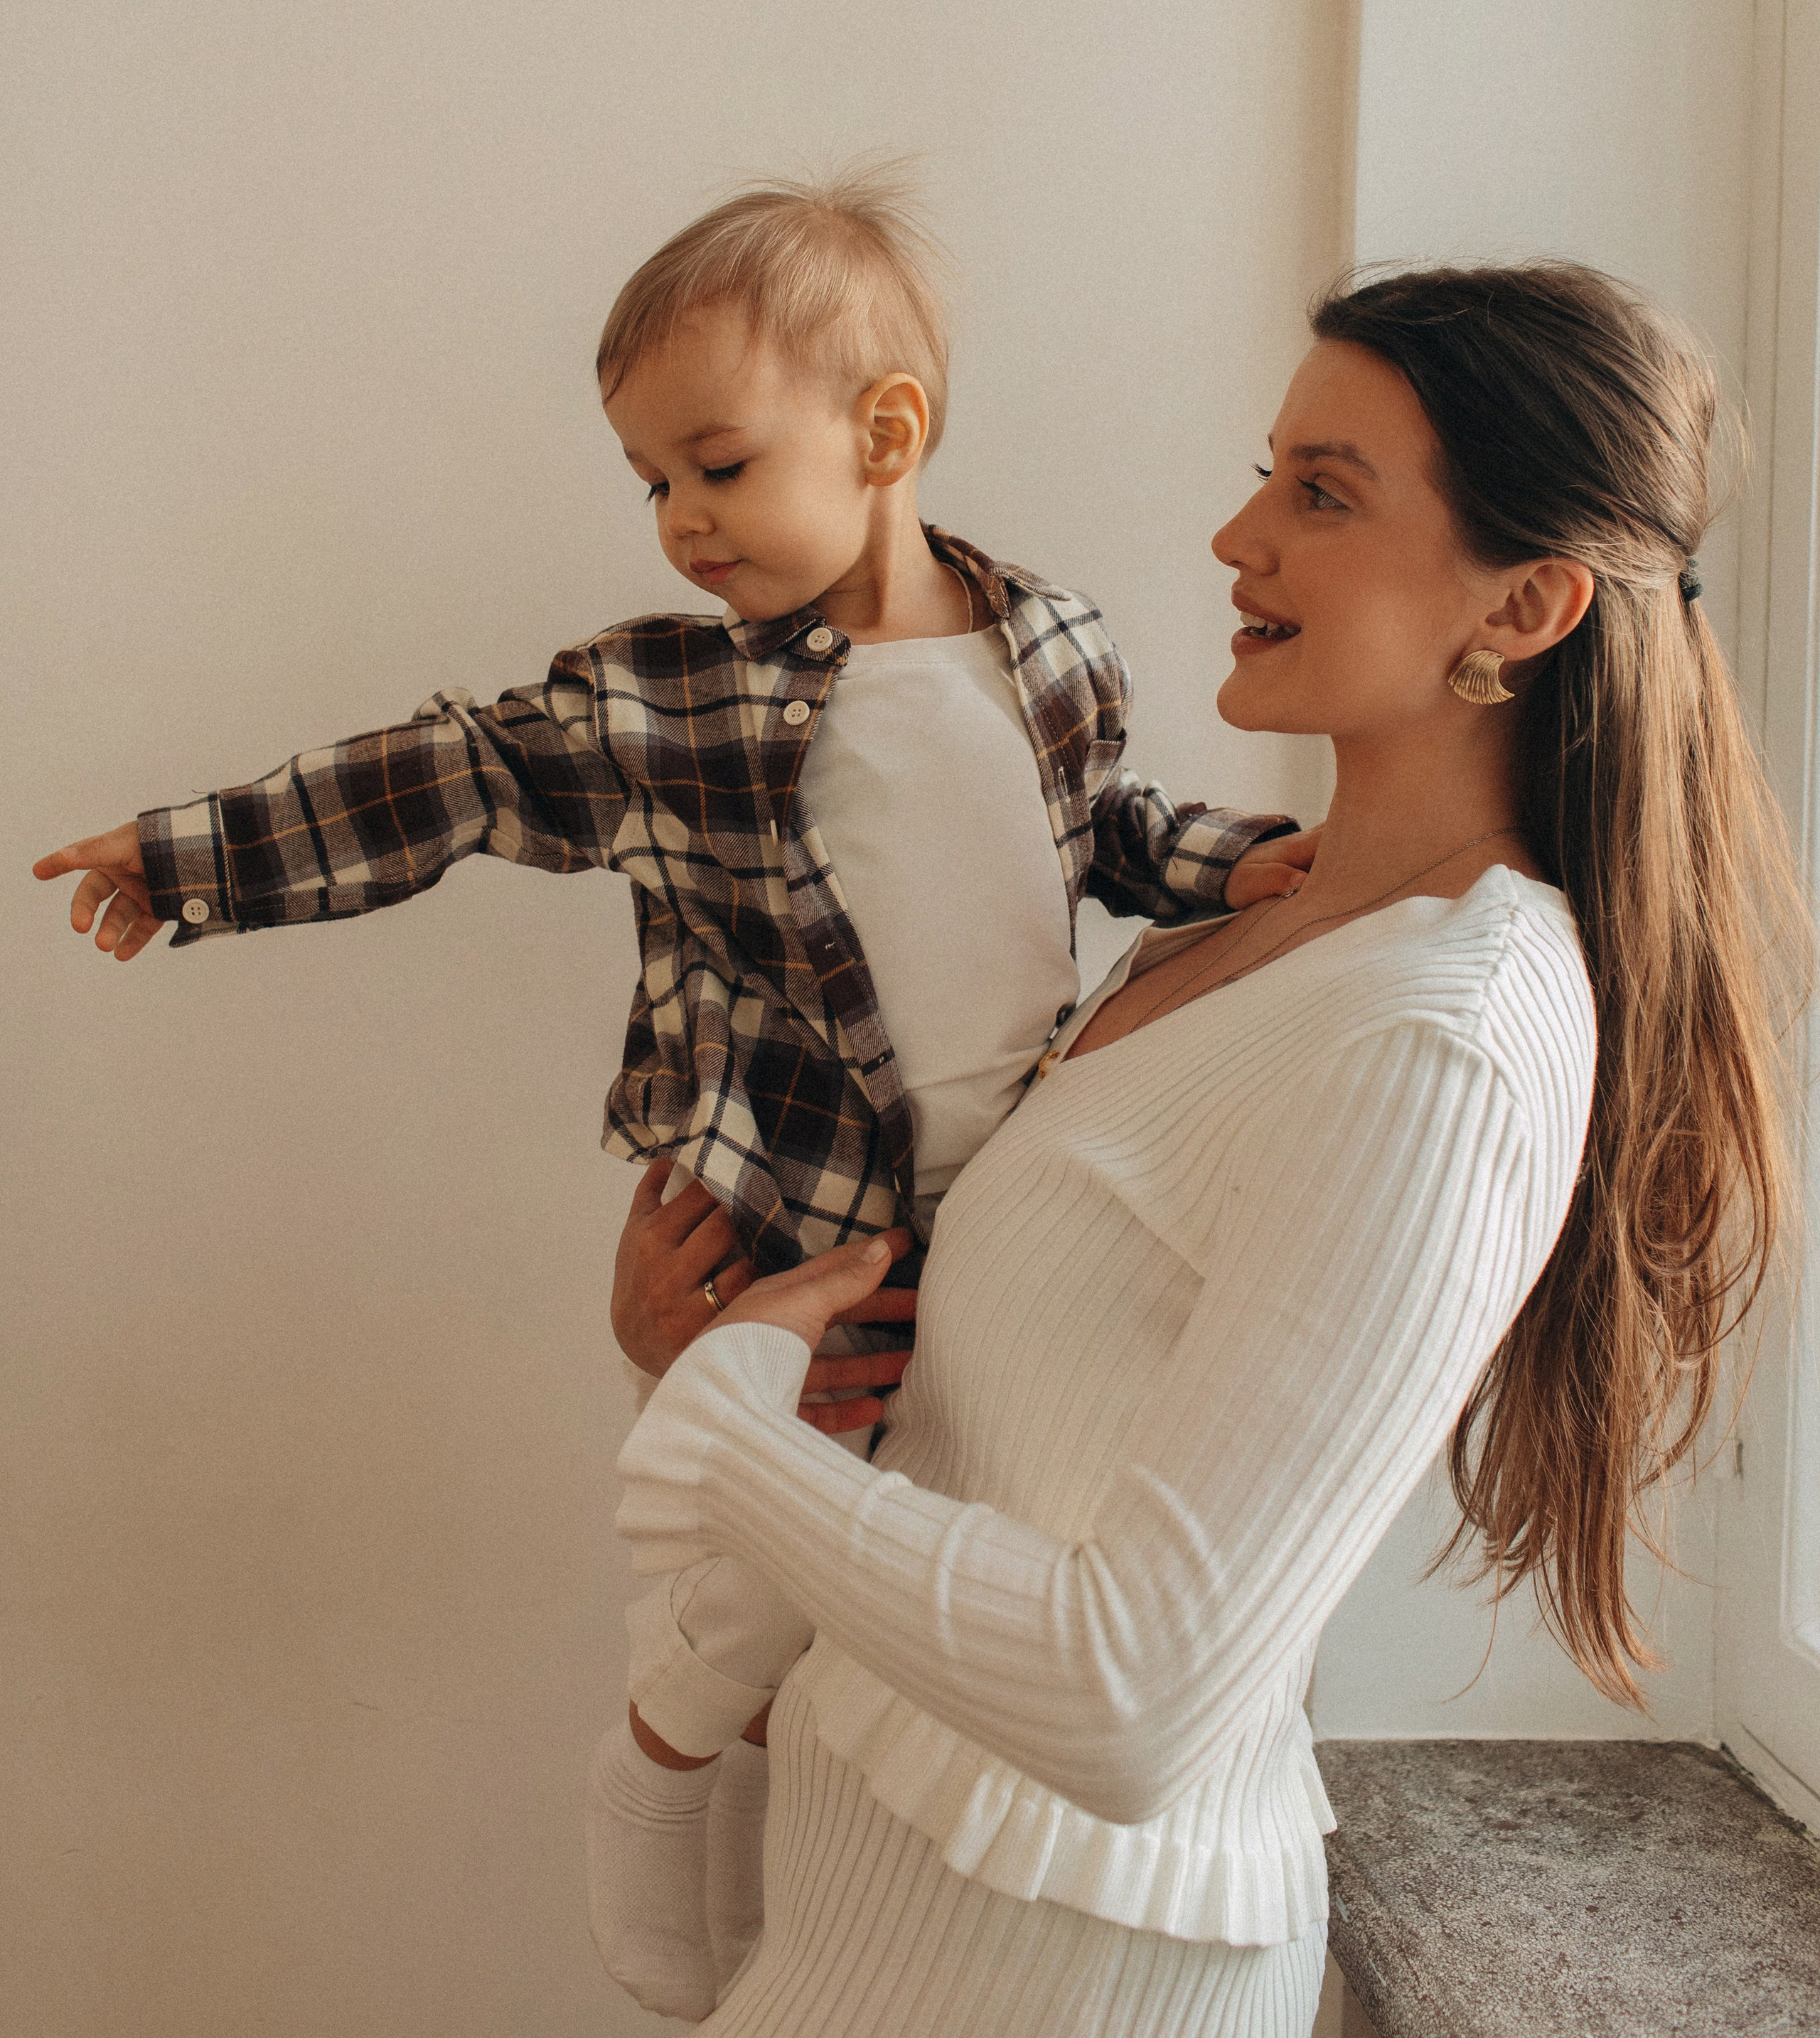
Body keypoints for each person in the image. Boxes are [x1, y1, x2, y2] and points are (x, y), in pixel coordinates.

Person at [31, 168, 1314, 2020]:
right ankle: (658, 1749)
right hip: (780, 1193)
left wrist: (1232, 865)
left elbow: (1099, 832)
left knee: (903, 1573)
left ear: (886, 436)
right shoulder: (660, 706)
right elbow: (446, 780)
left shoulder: (1050, 646)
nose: (678, 521)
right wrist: (193, 859)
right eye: (648, 481)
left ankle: (754, 1860)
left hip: (993, 1205)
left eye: (715, 465)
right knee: (788, 1543)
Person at [612, 260, 1802, 2037]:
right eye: (1267, 474)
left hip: (1064, 1971)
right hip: (889, 1911)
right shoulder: (1244, 930)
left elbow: (1134, 1696)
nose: (1239, 537)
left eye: (1321, 493)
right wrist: (720, 1357)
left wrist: (713, 1433)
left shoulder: (1445, 1034)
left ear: (1526, 602)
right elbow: (985, 1441)